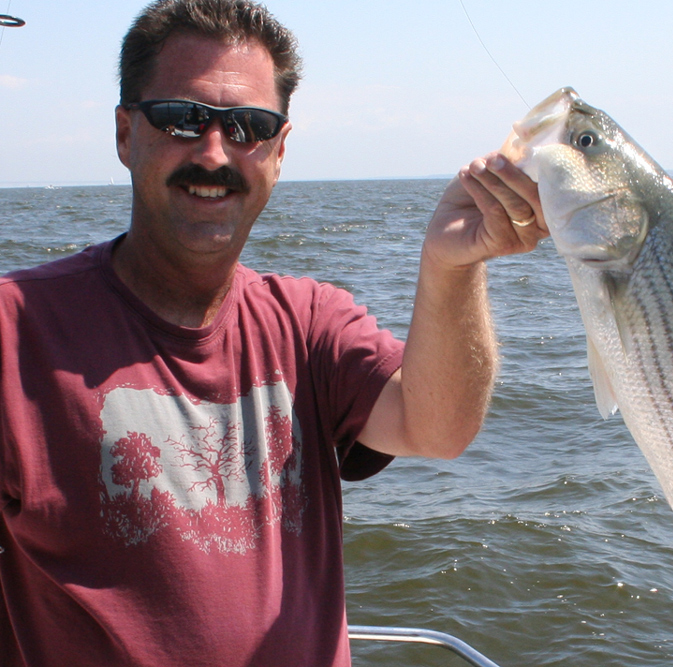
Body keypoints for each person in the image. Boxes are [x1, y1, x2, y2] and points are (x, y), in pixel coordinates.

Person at [0, 0, 547, 665]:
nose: (212, 153)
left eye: (248, 127)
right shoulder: (16, 328)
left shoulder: (309, 322)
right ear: (125, 134)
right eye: (181, 118)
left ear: (280, 150)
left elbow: (439, 426)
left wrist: (451, 266)